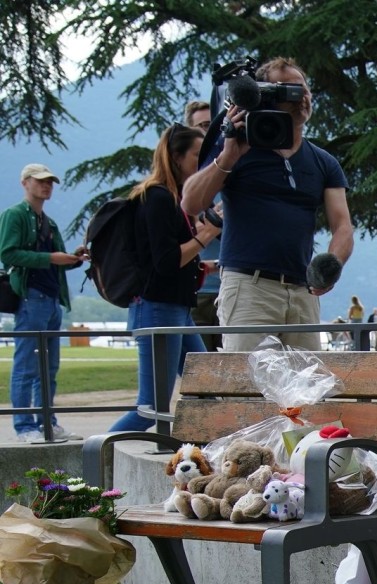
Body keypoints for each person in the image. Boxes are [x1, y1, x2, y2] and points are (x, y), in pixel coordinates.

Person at [182, 56, 353, 352]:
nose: (300, 98)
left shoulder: (323, 162)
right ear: (263, 95)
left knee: (305, 389)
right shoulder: (236, 148)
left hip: (302, 289)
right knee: (250, 389)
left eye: (303, 89)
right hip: (249, 287)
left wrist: (331, 265)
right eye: (287, 89)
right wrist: (229, 155)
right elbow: (192, 203)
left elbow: (343, 226)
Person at [110, 126, 221, 433]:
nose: (200, 162)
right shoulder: (157, 198)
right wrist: (206, 235)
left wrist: (202, 263)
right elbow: (166, 261)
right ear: (176, 157)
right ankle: (92, 463)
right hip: (158, 310)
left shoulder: (173, 199)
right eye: (196, 155)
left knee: (206, 390)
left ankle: (208, 451)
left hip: (177, 310)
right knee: (151, 409)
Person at [0, 163, 87, 442]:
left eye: (49, 181)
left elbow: (56, 262)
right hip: (30, 298)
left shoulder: (49, 222)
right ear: (25, 183)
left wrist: (72, 258)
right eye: (40, 181)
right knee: (26, 366)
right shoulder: (14, 215)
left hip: (51, 300)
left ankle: (47, 423)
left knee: (49, 368)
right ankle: (24, 426)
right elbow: (9, 253)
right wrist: (51, 258)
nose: (46, 186)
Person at [183, 100, 223, 351]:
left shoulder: (234, 174)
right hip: (196, 292)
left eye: (214, 124)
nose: (208, 131)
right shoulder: (183, 184)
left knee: (238, 376)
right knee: (200, 376)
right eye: (203, 125)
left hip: (233, 289)